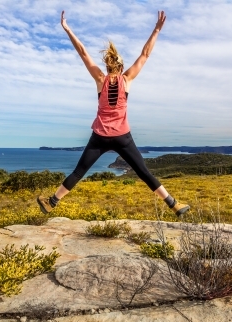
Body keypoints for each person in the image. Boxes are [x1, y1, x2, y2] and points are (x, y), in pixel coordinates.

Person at [37, 10, 189, 217]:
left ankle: (52, 202)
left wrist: (67, 29)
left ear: (107, 66)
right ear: (121, 66)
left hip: (99, 136)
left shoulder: (100, 79)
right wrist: (156, 29)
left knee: (79, 172)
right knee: (143, 172)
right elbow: (145, 55)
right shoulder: (127, 79)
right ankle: (173, 204)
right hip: (122, 137)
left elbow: (82, 52)